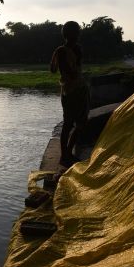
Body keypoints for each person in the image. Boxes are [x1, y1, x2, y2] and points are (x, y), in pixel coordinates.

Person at [50, 21, 90, 167]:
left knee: (81, 123)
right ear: (69, 34)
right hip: (70, 91)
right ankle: (65, 155)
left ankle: (67, 153)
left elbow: (72, 69)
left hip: (79, 89)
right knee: (68, 123)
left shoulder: (76, 49)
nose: (78, 35)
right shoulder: (61, 51)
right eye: (76, 32)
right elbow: (59, 70)